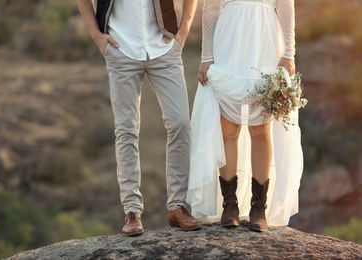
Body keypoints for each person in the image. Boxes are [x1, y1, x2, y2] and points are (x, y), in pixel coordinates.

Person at [77, 0, 202, 236]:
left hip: (164, 49)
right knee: (126, 130)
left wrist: (183, 30)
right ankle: (132, 211)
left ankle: (177, 207)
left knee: (180, 123)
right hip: (121, 49)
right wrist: (96, 36)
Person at [187, 0, 303, 232]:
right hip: (228, 43)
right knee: (228, 129)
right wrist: (206, 56)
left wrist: (289, 53)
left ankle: (258, 207)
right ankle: (230, 205)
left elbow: (286, 6)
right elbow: (210, 8)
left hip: (266, 43)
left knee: (260, 129)